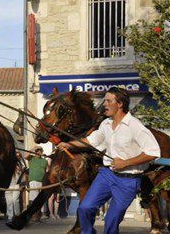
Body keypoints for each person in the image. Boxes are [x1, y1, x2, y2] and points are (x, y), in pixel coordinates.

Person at [58, 87, 161, 234]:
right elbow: (91, 141)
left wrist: (125, 162)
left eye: (108, 100)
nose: (104, 104)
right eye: (104, 100)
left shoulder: (135, 126)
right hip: (106, 175)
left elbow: (153, 152)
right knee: (84, 208)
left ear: (119, 104)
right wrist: (68, 144)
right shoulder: (105, 124)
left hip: (128, 180)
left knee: (111, 221)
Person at [24, 145, 48, 222]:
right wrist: (33, 148)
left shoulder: (45, 161)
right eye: (37, 150)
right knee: (33, 198)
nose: (39, 152)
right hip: (33, 180)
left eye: (40, 150)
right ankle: (32, 215)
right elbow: (25, 156)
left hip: (42, 181)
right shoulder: (31, 158)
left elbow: (47, 170)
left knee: (40, 199)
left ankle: (39, 216)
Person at [5, 151, 26, 223]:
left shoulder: (21, 164)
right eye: (16, 155)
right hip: (7, 185)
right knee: (9, 202)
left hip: (16, 184)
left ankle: (17, 216)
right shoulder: (7, 163)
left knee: (15, 200)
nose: (17, 156)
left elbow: (24, 174)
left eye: (19, 155)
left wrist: (23, 184)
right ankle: (10, 217)